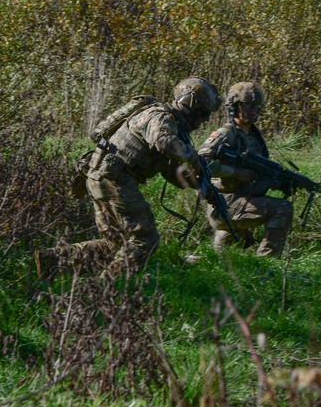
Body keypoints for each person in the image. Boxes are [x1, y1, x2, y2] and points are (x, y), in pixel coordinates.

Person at [37, 77, 220, 279]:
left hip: (104, 176)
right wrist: (193, 156)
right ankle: (105, 290)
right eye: (203, 114)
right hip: (114, 178)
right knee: (146, 240)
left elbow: (171, 172)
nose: (203, 120)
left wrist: (200, 184)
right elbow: (164, 142)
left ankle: (52, 259)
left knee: (115, 243)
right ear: (191, 106)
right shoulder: (159, 116)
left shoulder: (174, 127)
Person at [197, 82, 293, 257]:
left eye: (257, 106)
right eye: (248, 105)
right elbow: (200, 161)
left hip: (240, 201)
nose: (253, 110)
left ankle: (188, 263)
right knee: (283, 208)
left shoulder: (253, 137)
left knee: (222, 262)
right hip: (224, 203)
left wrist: (279, 183)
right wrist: (235, 173)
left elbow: (259, 173)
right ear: (234, 106)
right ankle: (267, 262)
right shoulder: (226, 134)